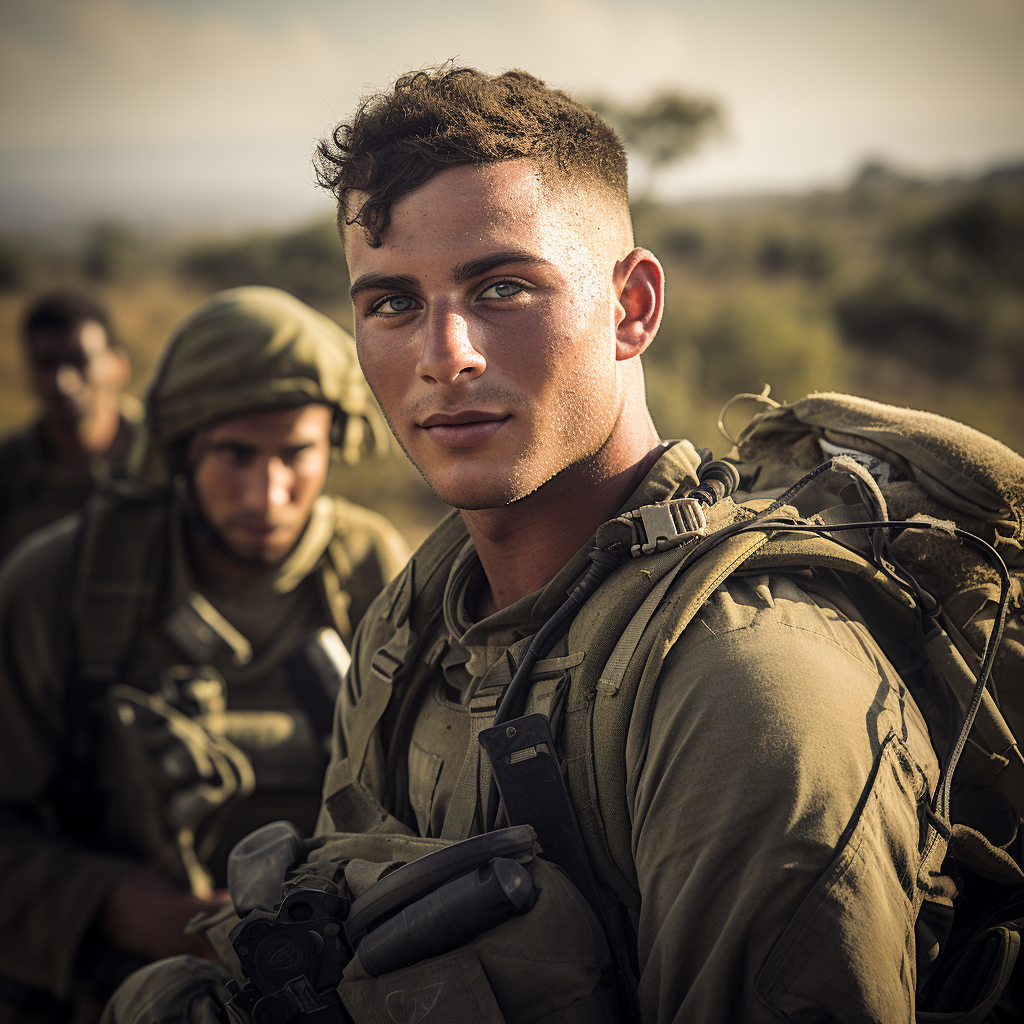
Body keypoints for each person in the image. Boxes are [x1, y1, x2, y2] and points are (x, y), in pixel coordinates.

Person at [103, 68, 951, 1023]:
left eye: (502, 287)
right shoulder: (414, 619)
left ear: (631, 308)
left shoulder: (747, 687)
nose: (443, 353)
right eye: (389, 303)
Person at [0, 286, 410, 1023]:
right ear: (183, 447)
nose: (267, 494)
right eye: (234, 455)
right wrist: (127, 906)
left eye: (297, 453)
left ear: (334, 444)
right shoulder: (59, 584)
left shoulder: (369, 567)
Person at [0, 290, 140, 561]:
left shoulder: (167, 458)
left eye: (81, 360)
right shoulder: (9, 471)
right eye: (46, 364)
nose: (64, 382)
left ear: (118, 365)